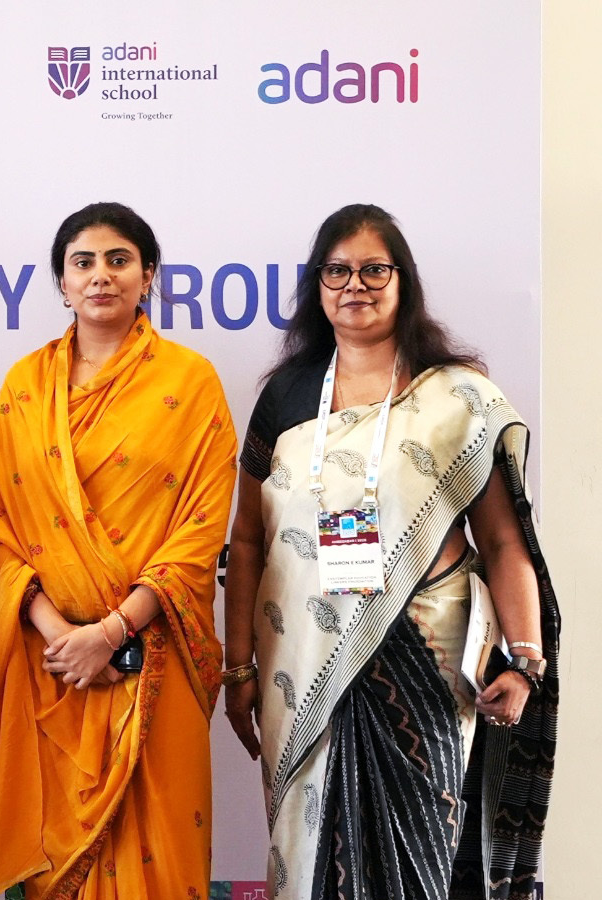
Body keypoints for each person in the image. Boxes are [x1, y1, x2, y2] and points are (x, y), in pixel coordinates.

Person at [222, 204, 560, 899]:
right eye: (338, 270)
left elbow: (502, 538)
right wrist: (237, 668)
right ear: (318, 286)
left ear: (403, 281)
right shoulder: (285, 397)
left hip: (428, 664)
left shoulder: (458, 396)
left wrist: (525, 659)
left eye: (375, 269)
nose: (356, 284)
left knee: (424, 858)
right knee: (311, 856)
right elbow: (247, 541)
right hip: (302, 669)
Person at [0, 203, 236, 899]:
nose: (101, 275)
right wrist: (63, 636)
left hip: (155, 656)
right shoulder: (26, 386)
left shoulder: (190, 382)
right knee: (56, 857)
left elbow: (202, 530)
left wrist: (113, 631)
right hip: (52, 665)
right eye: (83, 262)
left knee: (163, 855)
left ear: (148, 276)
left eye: (119, 260)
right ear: (61, 282)